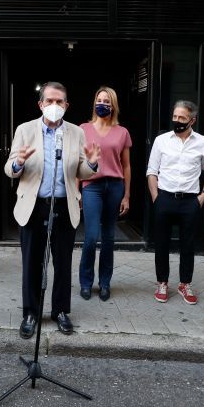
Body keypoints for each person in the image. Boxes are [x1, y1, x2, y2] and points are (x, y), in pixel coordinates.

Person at [4, 81, 101, 338]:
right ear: (41, 104)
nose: (54, 106)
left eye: (60, 102)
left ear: (67, 105)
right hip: (34, 206)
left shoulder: (75, 133)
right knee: (32, 263)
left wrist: (90, 164)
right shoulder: (25, 130)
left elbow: (79, 170)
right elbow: (9, 168)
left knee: (63, 262)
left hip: (64, 206)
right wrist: (18, 163)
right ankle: (31, 313)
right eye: (50, 101)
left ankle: (60, 311)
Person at [146, 100, 204, 304]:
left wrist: (203, 195)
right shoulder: (161, 140)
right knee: (161, 244)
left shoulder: (203, 142)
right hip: (165, 198)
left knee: (188, 245)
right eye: (175, 117)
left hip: (190, 201)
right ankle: (162, 282)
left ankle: (185, 284)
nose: (177, 121)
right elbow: (152, 171)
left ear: (192, 120)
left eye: (182, 118)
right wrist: (155, 197)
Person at [77, 86, 131, 301]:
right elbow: (78, 162)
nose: (103, 104)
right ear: (94, 103)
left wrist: (127, 195)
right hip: (92, 186)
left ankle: (105, 283)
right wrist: (77, 190)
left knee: (108, 237)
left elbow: (126, 166)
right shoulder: (83, 129)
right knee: (90, 237)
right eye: (99, 100)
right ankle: (86, 282)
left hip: (115, 186)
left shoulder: (122, 132)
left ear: (113, 105)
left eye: (107, 101)